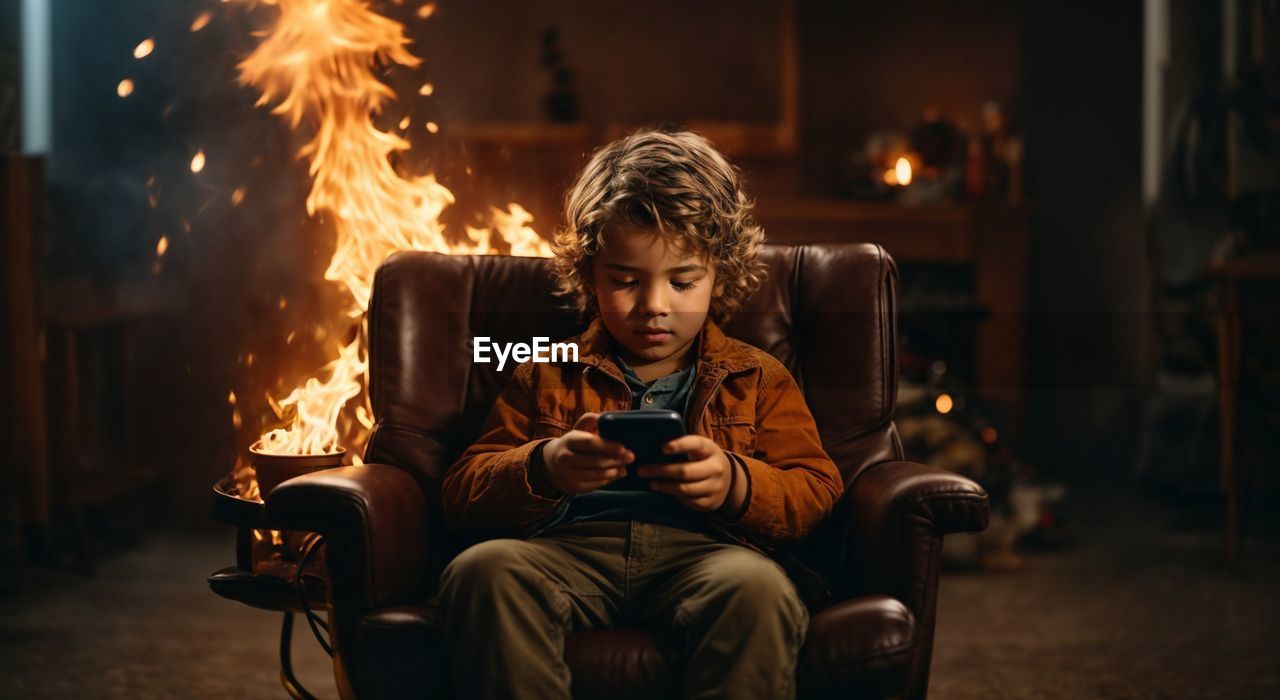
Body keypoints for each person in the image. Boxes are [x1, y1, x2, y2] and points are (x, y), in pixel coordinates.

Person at [438, 129, 842, 699]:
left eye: (682, 282)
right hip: (567, 552)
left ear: (718, 276)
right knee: (484, 571)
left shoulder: (757, 376)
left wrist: (733, 481)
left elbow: (815, 491)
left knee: (759, 589)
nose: (654, 306)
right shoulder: (545, 369)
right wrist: (545, 465)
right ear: (588, 276)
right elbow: (463, 490)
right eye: (625, 282)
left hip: (708, 553)